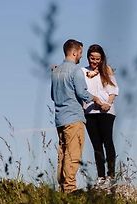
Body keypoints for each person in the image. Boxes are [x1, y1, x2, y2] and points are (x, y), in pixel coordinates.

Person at [51, 39, 110, 193]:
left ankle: (62, 186)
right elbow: (82, 93)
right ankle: (70, 188)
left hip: (59, 118)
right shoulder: (76, 70)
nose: (81, 57)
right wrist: (96, 99)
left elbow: (53, 95)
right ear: (75, 52)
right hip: (73, 117)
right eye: (81, 53)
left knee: (62, 153)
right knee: (73, 153)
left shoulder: (56, 71)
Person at [82, 44, 119, 188]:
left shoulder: (106, 70)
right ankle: (101, 176)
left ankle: (111, 175)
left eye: (97, 58)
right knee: (96, 145)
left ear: (101, 58)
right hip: (90, 112)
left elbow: (113, 90)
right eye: (92, 58)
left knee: (107, 142)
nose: (94, 61)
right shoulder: (83, 71)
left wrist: (107, 104)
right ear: (88, 57)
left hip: (106, 111)